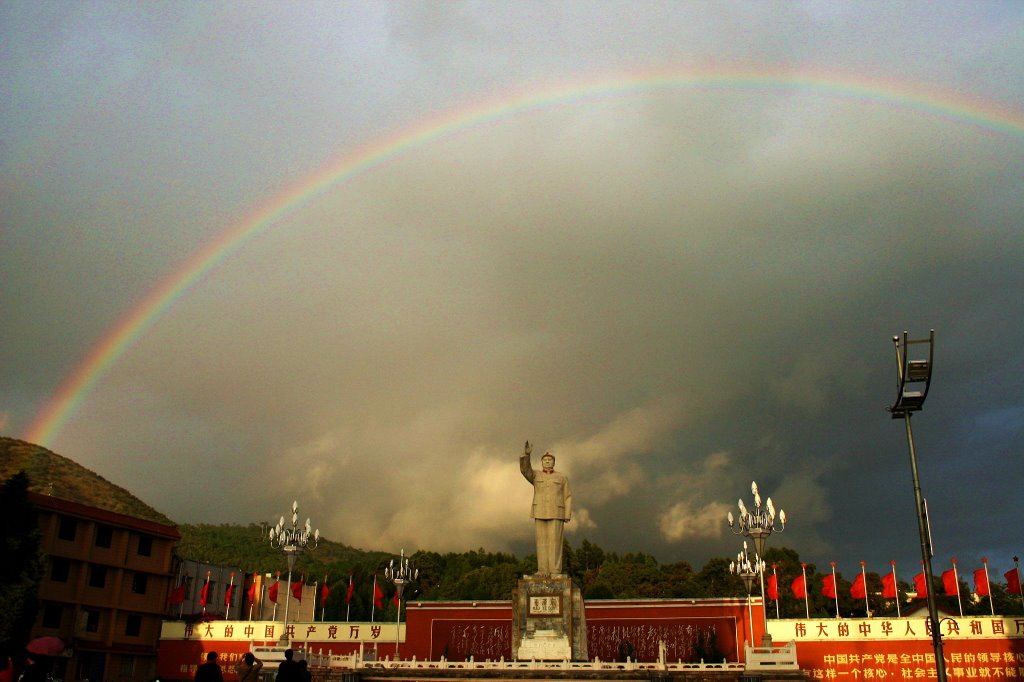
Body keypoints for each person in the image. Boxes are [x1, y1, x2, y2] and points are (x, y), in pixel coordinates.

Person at [519, 440, 572, 577]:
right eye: (545, 459)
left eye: (550, 459)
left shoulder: (562, 477)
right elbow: (525, 470)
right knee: (541, 543)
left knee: (555, 542)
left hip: (557, 512)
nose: (547, 461)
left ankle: (555, 571)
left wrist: (567, 513)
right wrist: (526, 455)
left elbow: (568, 496)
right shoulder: (536, 475)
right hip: (540, 510)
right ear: (542, 462)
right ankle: (542, 570)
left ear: (554, 462)